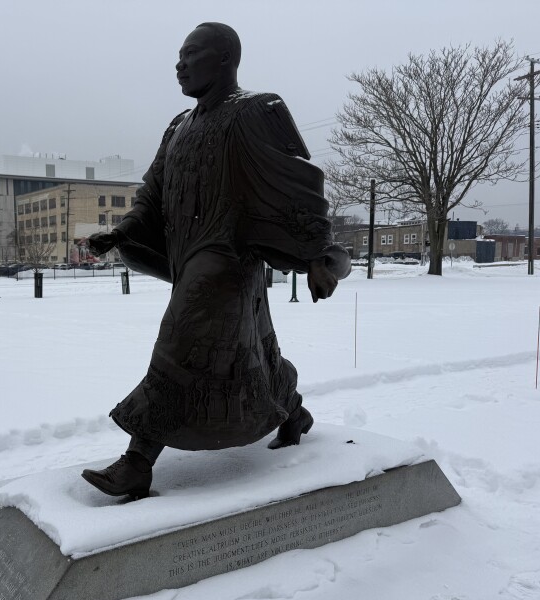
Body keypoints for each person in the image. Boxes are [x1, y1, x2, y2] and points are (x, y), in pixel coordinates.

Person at [81, 22, 351, 499]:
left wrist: (317, 256)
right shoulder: (177, 128)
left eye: (191, 54)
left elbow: (298, 186)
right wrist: (121, 233)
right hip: (190, 259)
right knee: (248, 353)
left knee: (178, 344)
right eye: (178, 57)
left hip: (229, 260)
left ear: (224, 58)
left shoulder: (256, 110)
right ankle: (293, 409)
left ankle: (138, 461)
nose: (180, 64)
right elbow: (153, 194)